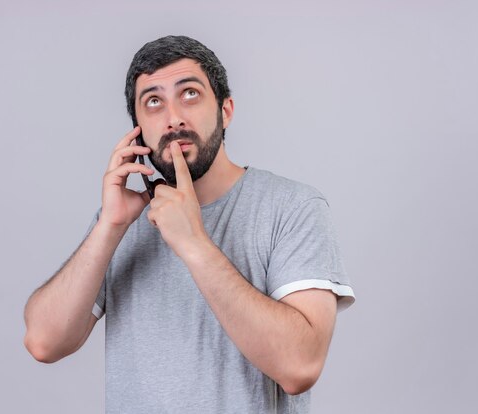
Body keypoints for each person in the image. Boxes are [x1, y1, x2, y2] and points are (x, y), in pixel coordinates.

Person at [24, 35, 355, 413]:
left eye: (190, 94)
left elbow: (300, 365)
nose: (173, 118)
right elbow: (43, 342)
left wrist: (193, 242)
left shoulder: (292, 207)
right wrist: (110, 226)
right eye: (153, 102)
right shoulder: (120, 222)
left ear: (226, 110)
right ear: (137, 131)